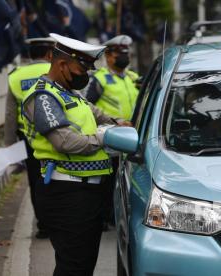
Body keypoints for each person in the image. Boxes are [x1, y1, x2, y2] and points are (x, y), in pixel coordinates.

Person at [21, 33, 124, 276]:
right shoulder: (43, 96)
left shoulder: (68, 93)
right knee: (74, 267)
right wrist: (105, 136)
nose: (86, 74)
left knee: (83, 264)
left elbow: (95, 112)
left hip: (87, 194)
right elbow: (64, 141)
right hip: (67, 194)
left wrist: (119, 122)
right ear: (62, 64)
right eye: (83, 67)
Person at [85, 34, 139, 230]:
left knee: (129, 179)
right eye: (119, 54)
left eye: (126, 53)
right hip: (111, 136)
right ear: (108, 56)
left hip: (133, 135)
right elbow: (88, 106)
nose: (124, 57)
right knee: (108, 180)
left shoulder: (133, 78)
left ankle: (122, 213)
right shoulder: (100, 79)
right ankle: (107, 216)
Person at [4, 37, 55, 239]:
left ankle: (44, 225)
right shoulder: (56, 72)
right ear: (50, 54)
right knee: (58, 177)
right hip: (58, 133)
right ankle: (59, 221)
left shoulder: (16, 76)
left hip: (29, 138)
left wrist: (9, 145)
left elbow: (10, 114)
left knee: (36, 180)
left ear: (29, 54)